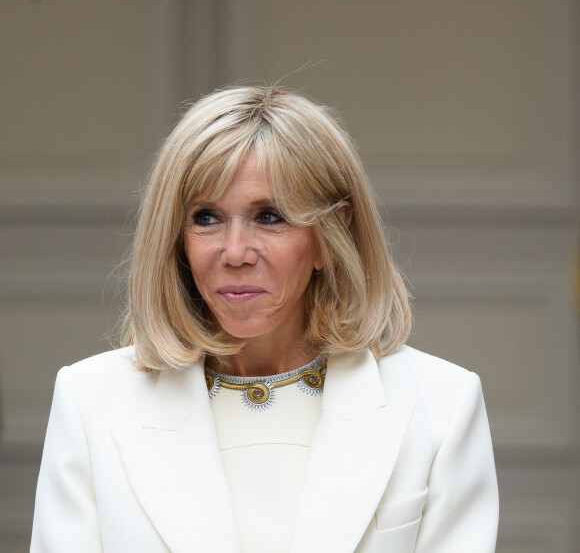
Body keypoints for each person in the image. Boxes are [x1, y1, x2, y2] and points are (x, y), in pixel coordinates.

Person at [31, 86, 499, 553]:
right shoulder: (90, 402)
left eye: (270, 217)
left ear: (331, 235)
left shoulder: (441, 405)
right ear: (175, 238)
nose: (234, 253)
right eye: (207, 217)